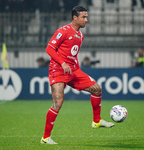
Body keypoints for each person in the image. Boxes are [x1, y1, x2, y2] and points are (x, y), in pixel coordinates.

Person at [40, 6, 114, 145]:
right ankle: (45, 138)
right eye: (83, 17)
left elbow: (73, 55)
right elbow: (49, 48)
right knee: (58, 104)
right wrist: (62, 63)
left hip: (73, 71)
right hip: (58, 70)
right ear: (75, 18)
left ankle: (96, 121)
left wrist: (78, 71)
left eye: (86, 17)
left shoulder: (80, 35)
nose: (86, 20)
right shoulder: (62, 31)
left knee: (97, 89)